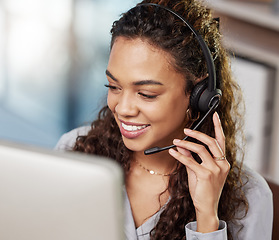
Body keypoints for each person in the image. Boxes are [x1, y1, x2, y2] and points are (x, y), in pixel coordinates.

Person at [55, 0, 273, 239]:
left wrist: (207, 219)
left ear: (199, 97)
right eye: (114, 86)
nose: (123, 108)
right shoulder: (74, 149)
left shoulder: (251, 198)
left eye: (147, 94)